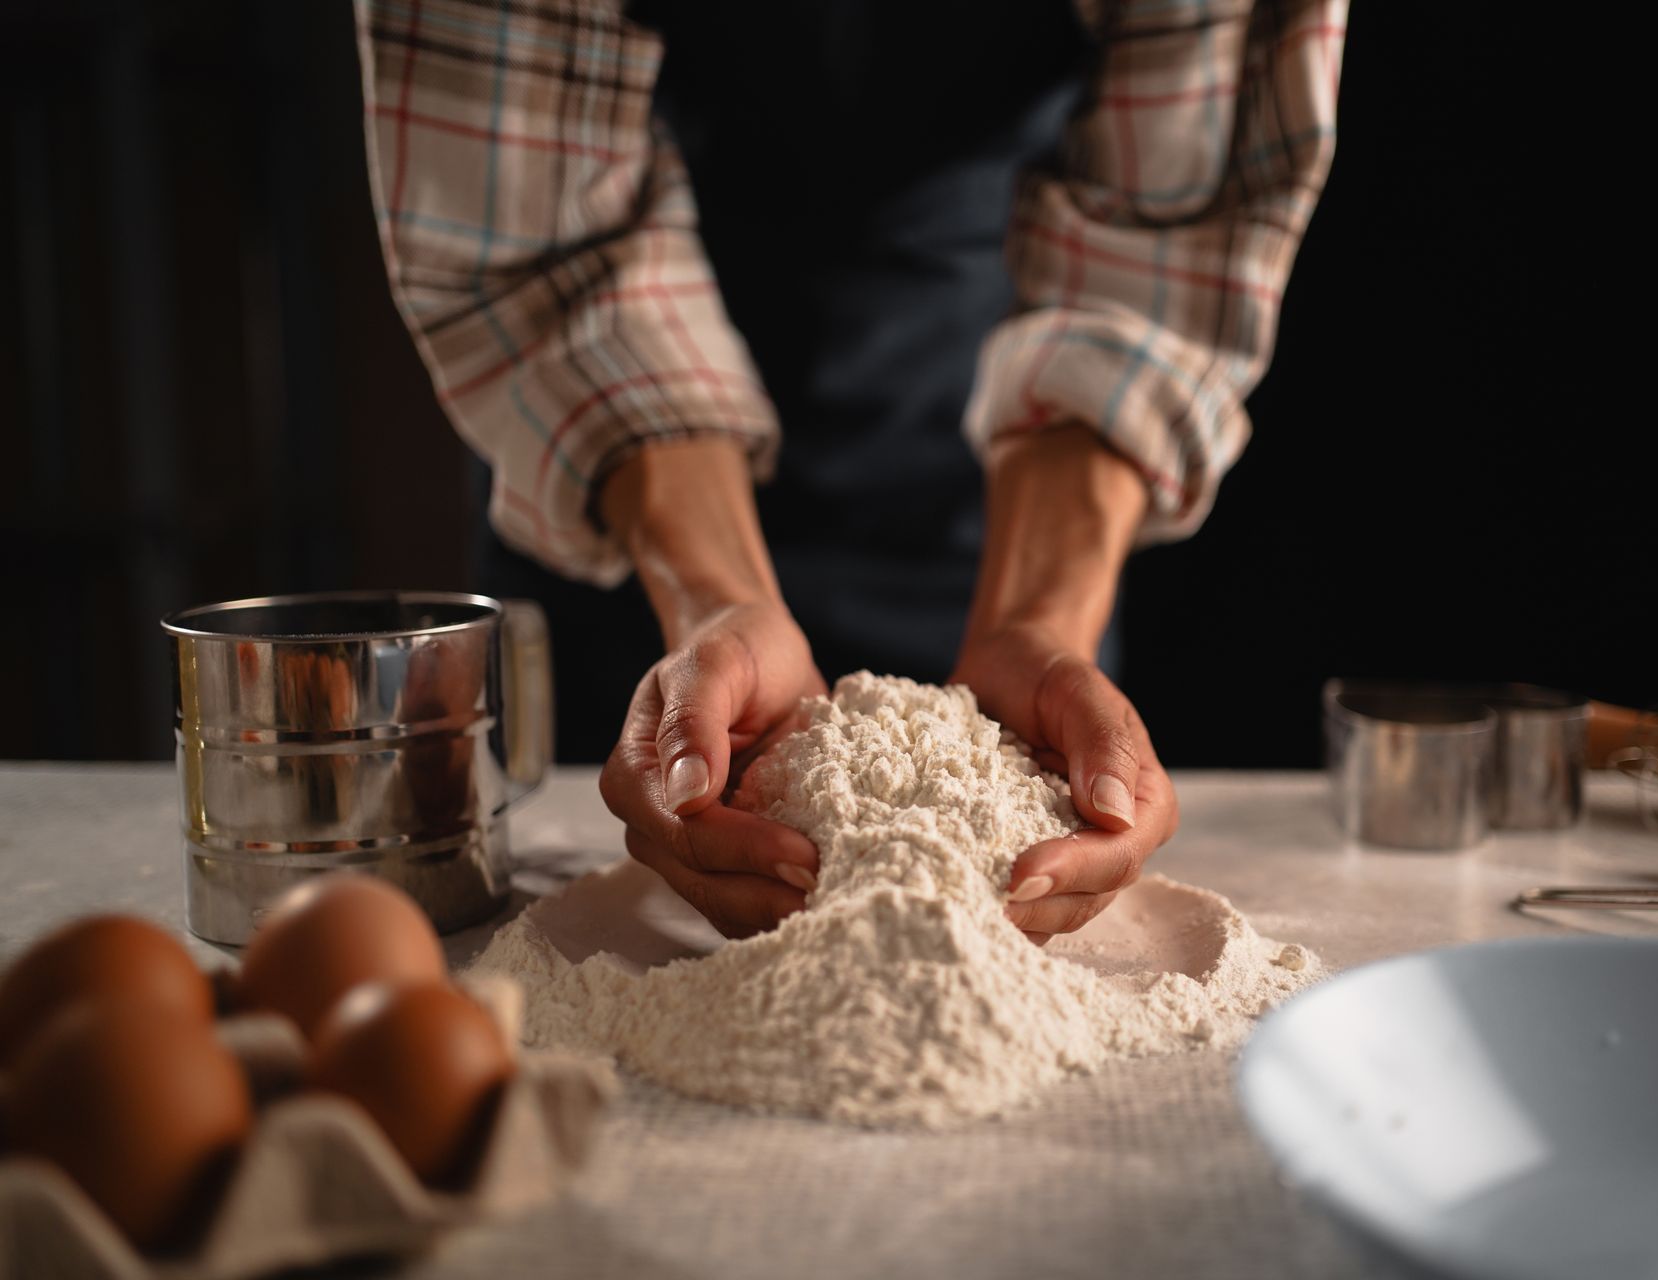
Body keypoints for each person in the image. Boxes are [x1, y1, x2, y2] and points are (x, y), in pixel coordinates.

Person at [352, 0, 1343, 943]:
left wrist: (1038, 624)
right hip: (619, 456)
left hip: (984, 408)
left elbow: (1160, 244)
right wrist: (712, 605)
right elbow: (555, 246)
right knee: (642, 873)